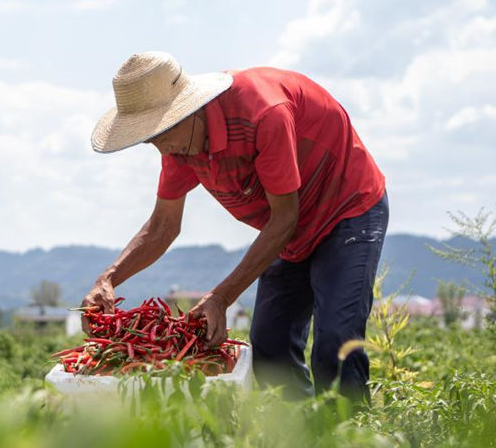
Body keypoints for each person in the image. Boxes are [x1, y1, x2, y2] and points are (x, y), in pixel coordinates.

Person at [82, 51, 388, 402]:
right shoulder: (180, 147)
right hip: (289, 230)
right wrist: (108, 278)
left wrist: (221, 297)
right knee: (270, 345)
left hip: (346, 211)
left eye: (158, 132)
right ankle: (306, 446)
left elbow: (286, 217)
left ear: (187, 110)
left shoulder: (262, 113)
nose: (157, 146)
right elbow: (163, 226)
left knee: (336, 342)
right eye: (148, 137)